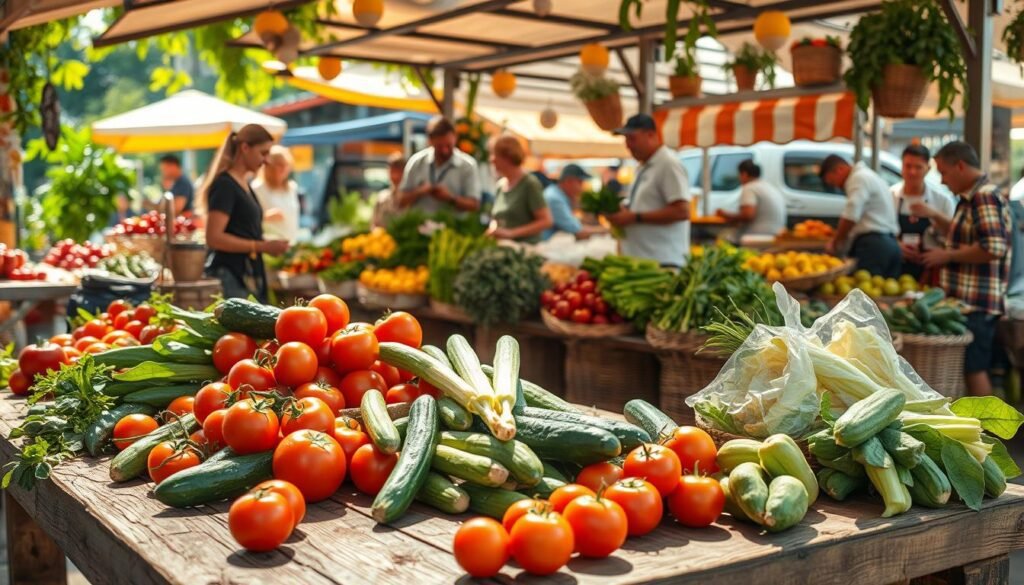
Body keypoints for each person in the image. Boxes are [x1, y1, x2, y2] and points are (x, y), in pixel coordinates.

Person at [908, 142, 1012, 396]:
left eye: (943, 172)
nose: (942, 181)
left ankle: (991, 431)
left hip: (976, 302)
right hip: (968, 301)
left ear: (961, 166)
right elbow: (964, 236)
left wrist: (948, 255)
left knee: (974, 369)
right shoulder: (971, 199)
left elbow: (994, 246)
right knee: (970, 369)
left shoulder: (983, 196)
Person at [200, 124, 289, 303]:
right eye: (263, 153)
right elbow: (214, 237)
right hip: (231, 277)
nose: (266, 161)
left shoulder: (244, 184)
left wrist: (268, 243)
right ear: (245, 148)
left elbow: (241, 230)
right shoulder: (225, 185)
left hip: (246, 276)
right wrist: (261, 246)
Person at [604, 114, 690, 268]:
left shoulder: (668, 164)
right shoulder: (643, 166)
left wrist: (634, 217)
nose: (627, 145)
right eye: (626, 139)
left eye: (632, 138)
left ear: (650, 135)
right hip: (643, 261)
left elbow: (681, 211)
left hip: (661, 264)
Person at [820, 155, 902, 278]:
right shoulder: (868, 175)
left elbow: (851, 214)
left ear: (839, 169)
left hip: (874, 246)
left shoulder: (858, 178)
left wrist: (836, 243)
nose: (836, 186)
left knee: (866, 294)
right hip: (890, 245)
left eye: (833, 182)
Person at [891, 144, 956, 281]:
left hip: (930, 269)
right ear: (902, 167)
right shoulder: (890, 195)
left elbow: (954, 233)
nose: (912, 172)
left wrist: (933, 214)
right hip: (895, 266)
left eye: (918, 167)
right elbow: (881, 230)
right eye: (908, 166)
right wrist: (895, 246)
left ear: (928, 169)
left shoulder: (943, 199)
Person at [398, 116, 481, 213]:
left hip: (454, 226)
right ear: (430, 140)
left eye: (448, 146)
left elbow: (475, 205)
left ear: (455, 137)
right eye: (440, 147)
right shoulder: (416, 162)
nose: (445, 151)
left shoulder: (467, 165)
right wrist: (419, 191)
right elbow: (400, 201)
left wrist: (450, 198)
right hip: (419, 225)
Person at [488, 135, 552, 243]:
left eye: (495, 155)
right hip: (502, 245)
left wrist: (512, 233)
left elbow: (546, 221)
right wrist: (494, 228)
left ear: (508, 157)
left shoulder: (529, 184)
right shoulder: (500, 186)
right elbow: (497, 218)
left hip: (524, 249)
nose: (492, 160)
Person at [715, 159, 787, 237]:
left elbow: (748, 215)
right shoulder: (769, 187)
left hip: (758, 235)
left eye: (739, 174)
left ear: (744, 174)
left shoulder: (749, 188)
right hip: (777, 233)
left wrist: (725, 215)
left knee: (723, 236)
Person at [541, 164, 605, 241]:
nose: (582, 187)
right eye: (580, 182)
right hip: (543, 245)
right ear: (569, 181)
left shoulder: (558, 194)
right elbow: (579, 231)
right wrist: (605, 230)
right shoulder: (555, 199)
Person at [251, 145, 302, 243]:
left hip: (291, 243)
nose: (283, 169)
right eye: (279, 165)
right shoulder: (257, 188)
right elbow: (248, 219)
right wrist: (266, 216)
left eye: (285, 165)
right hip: (269, 245)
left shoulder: (292, 188)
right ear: (268, 166)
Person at [373, 152, 406, 228]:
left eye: (398, 171)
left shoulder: (411, 197)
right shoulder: (382, 197)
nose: (395, 175)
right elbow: (374, 224)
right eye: (392, 171)